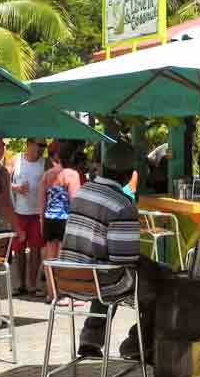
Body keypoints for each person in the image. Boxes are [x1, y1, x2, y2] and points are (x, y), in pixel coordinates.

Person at [59, 141, 163, 359]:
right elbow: (123, 260)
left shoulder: (83, 192)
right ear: (128, 175)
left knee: (107, 272)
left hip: (71, 276)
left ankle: (91, 338)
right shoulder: (122, 205)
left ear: (103, 168)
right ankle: (139, 343)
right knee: (162, 288)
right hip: (100, 278)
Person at [39, 140, 83, 304]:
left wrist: (42, 221)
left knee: (50, 258)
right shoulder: (72, 175)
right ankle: (67, 294)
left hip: (50, 219)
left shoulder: (47, 175)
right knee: (67, 258)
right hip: (66, 219)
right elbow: (74, 201)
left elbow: (41, 201)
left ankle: (52, 294)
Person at [10, 138, 47, 296]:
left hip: (37, 213)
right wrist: (16, 187)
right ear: (29, 144)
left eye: (43, 146)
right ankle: (20, 284)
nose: (41, 149)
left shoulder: (45, 163)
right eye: (39, 145)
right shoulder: (16, 160)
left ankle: (32, 284)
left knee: (36, 250)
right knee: (18, 250)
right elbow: (4, 181)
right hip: (19, 212)